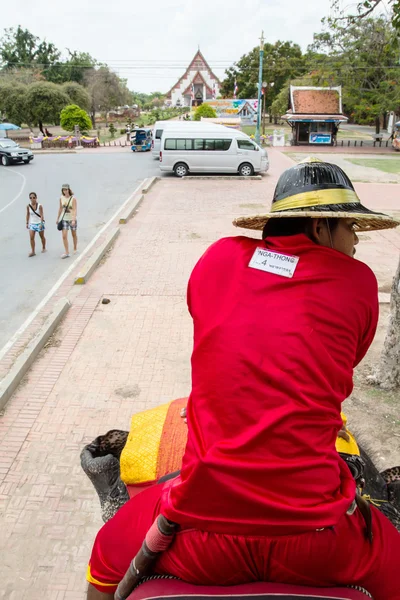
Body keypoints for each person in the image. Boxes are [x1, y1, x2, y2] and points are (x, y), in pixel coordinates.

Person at [86, 158, 400, 600]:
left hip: (195, 535)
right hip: (323, 540)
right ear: (320, 226)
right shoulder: (360, 282)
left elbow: (206, 318)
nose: (355, 242)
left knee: (103, 562)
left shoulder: (217, 257)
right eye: (349, 226)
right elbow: (343, 361)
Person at [56, 184, 78, 259]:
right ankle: (67, 252)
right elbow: (60, 208)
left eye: (66, 189)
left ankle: (75, 247)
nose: (65, 191)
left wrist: (73, 220)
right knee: (64, 236)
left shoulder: (73, 198)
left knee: (73, 234)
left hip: (71, 219)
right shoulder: (61, 198)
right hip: (64, 218)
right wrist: (57, 218)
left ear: (69, 190)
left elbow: (74, 210)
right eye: (64, 190)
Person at [26, 192, 46, 257]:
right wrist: (27, 222)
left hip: (39, 223)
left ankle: (43, 247)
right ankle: (33, 251)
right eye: (31, 198)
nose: (32, 199)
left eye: (33, 197)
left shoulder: (39, 206)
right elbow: (28, 214)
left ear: (36, 198)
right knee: (31, 237)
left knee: (42, 236)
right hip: (32, 223)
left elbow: (42, 215)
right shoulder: (28, 206)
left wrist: (41, 223)